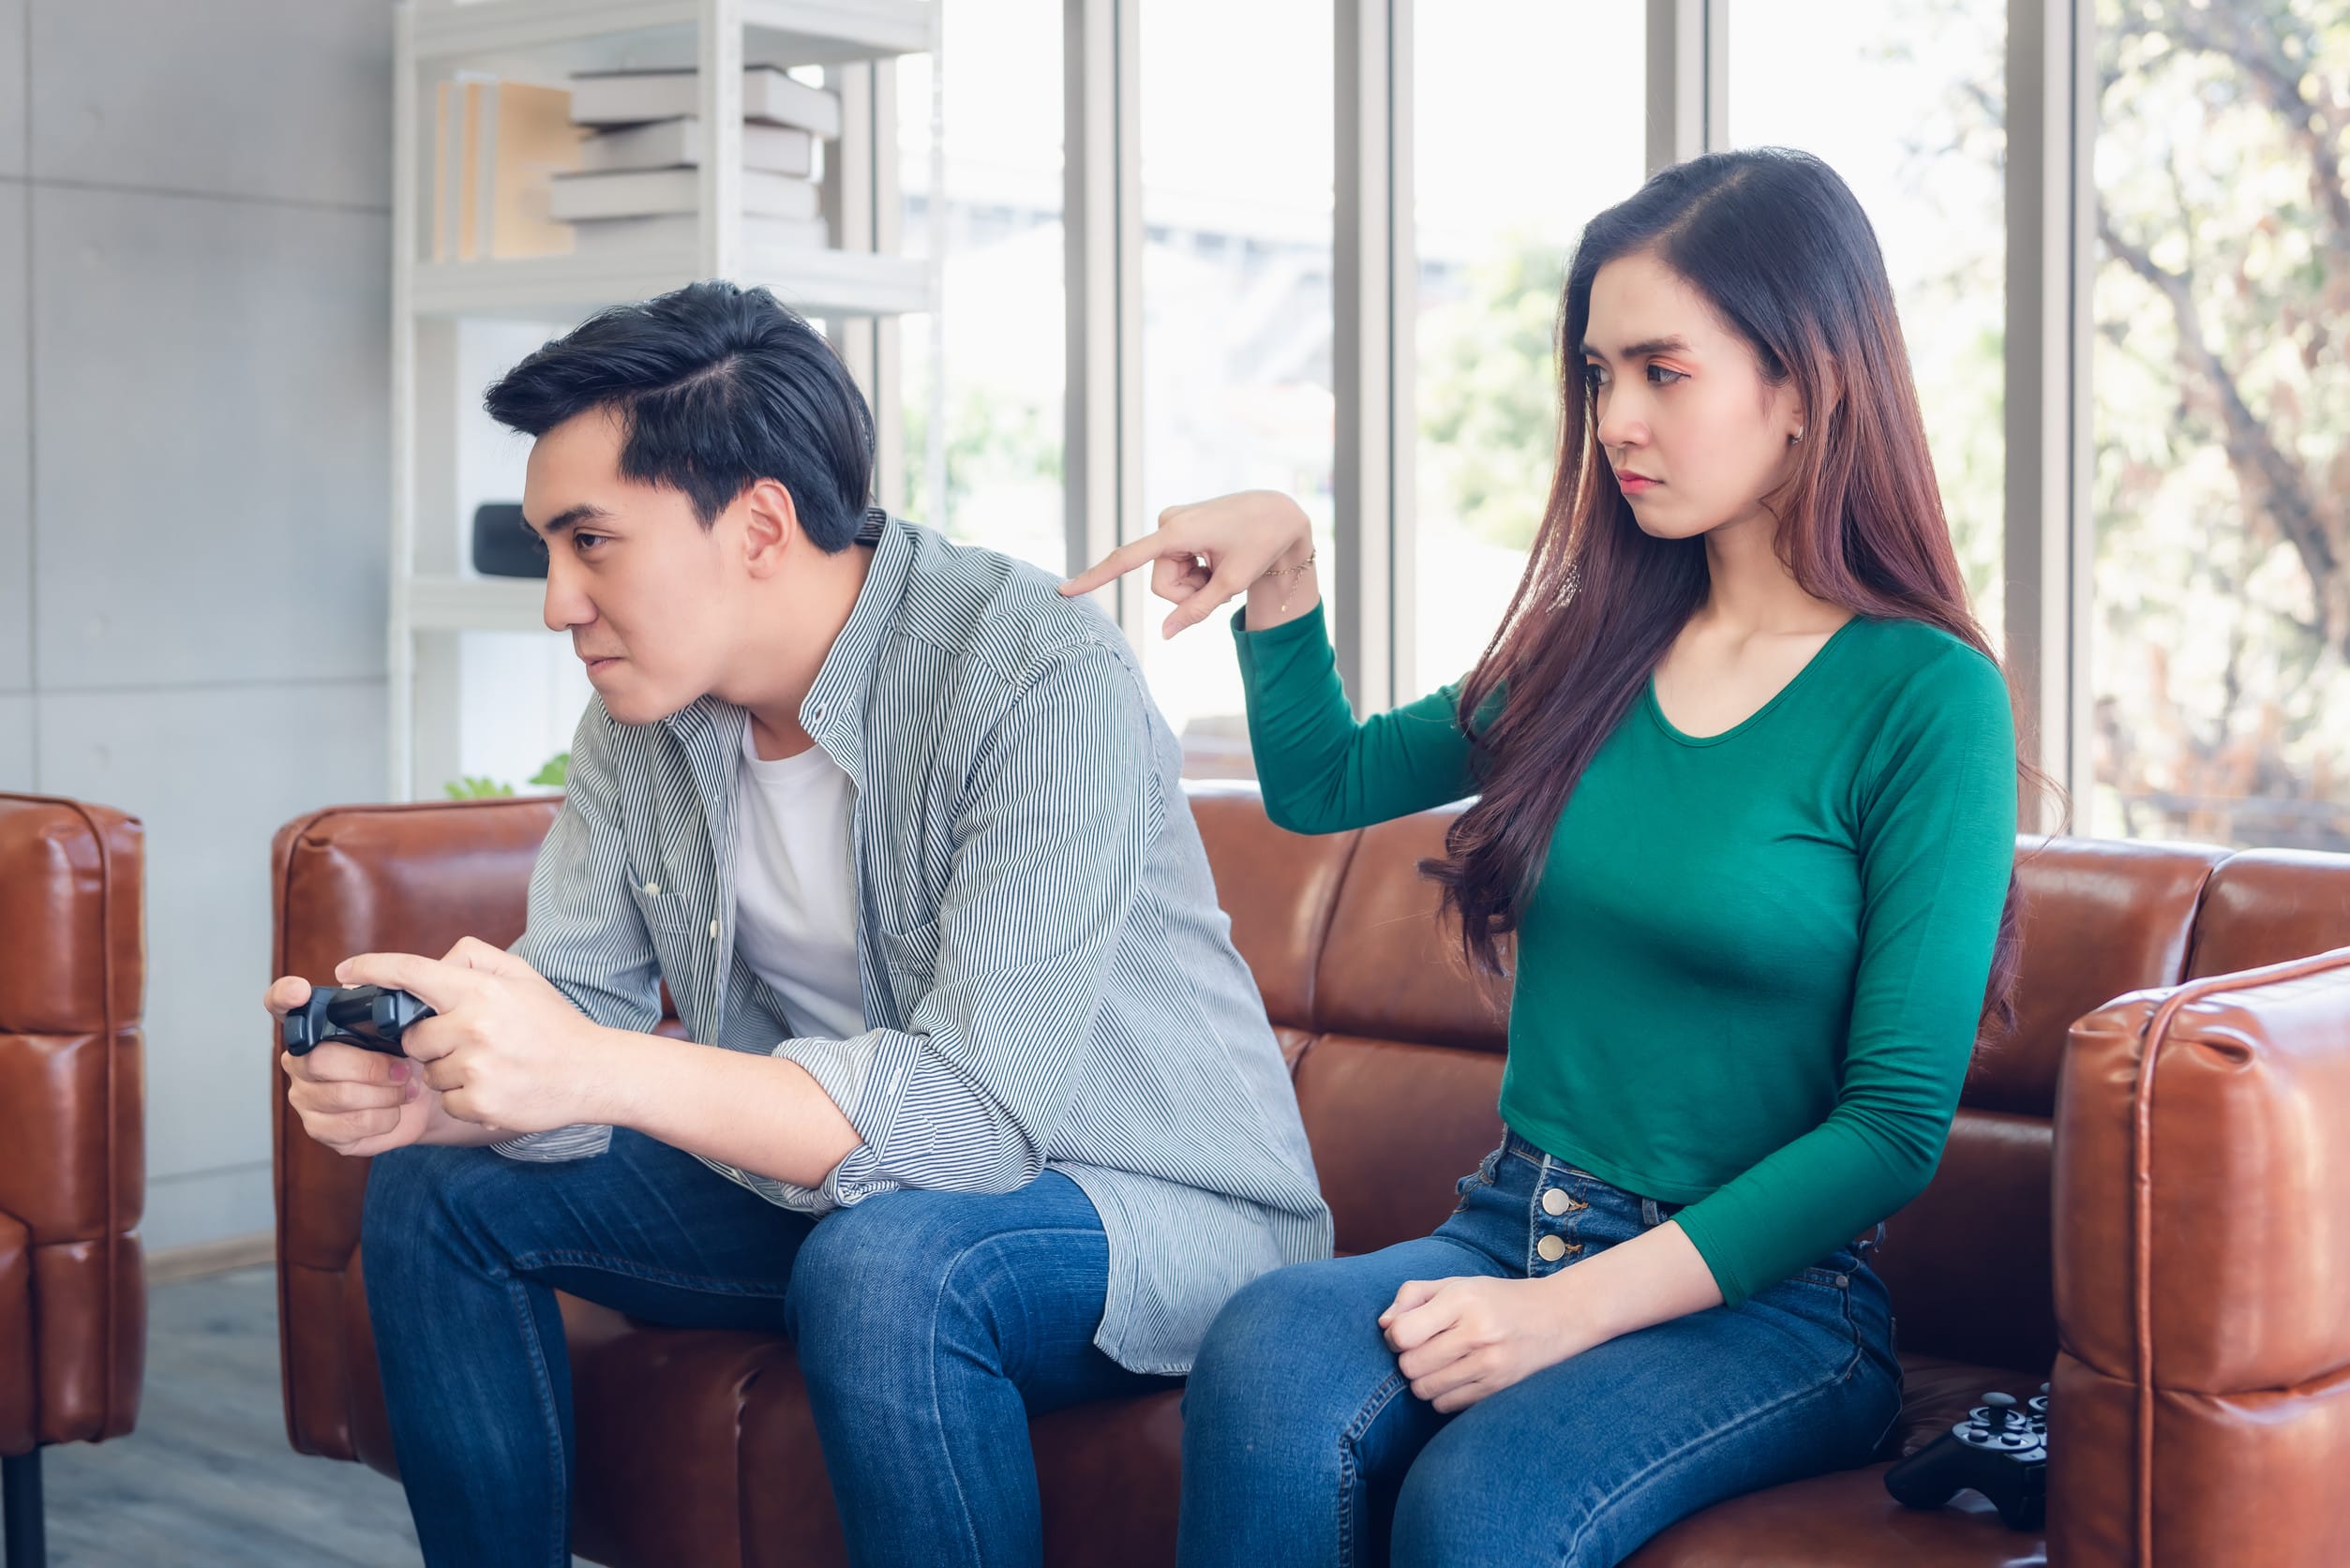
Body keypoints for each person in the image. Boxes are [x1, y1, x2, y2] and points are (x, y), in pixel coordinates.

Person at [1063, 148, 2032, 1567]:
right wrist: (1284, 574)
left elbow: (1890, 1132)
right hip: (1513, 1217)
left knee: (1483, 1497)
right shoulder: (1593, 648)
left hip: (1769, 1307)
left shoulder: (1927, 697)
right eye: (1596, 375)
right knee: (1267, 1342)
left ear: (1810, 384)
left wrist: (1566, 1313)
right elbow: (1325, 781)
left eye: (1662, 371)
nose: (1617, 420)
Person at [266, 280, 1330, 1568]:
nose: (555, 600)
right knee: (440, 1193)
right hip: (848, 1197)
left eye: (592, 542)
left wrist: (584, 1065)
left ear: (760, 523)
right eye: (548, 546)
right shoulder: (644, 721)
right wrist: (450, 1082)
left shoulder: (1038, 675)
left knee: (892, 1267)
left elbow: (972, 1128)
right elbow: (581, 1005)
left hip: (1151, 1213)